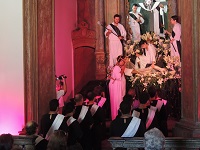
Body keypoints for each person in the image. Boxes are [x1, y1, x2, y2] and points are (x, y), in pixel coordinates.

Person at [109, 55, 126, 120]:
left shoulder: (117, 67)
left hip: (116, 84)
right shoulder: (116, 67)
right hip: (116, 85)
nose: (124, 62)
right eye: (123, 61)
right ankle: (116, 116)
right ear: (120, 61)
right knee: (117, 101)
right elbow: (118, 76)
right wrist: (123, 69)